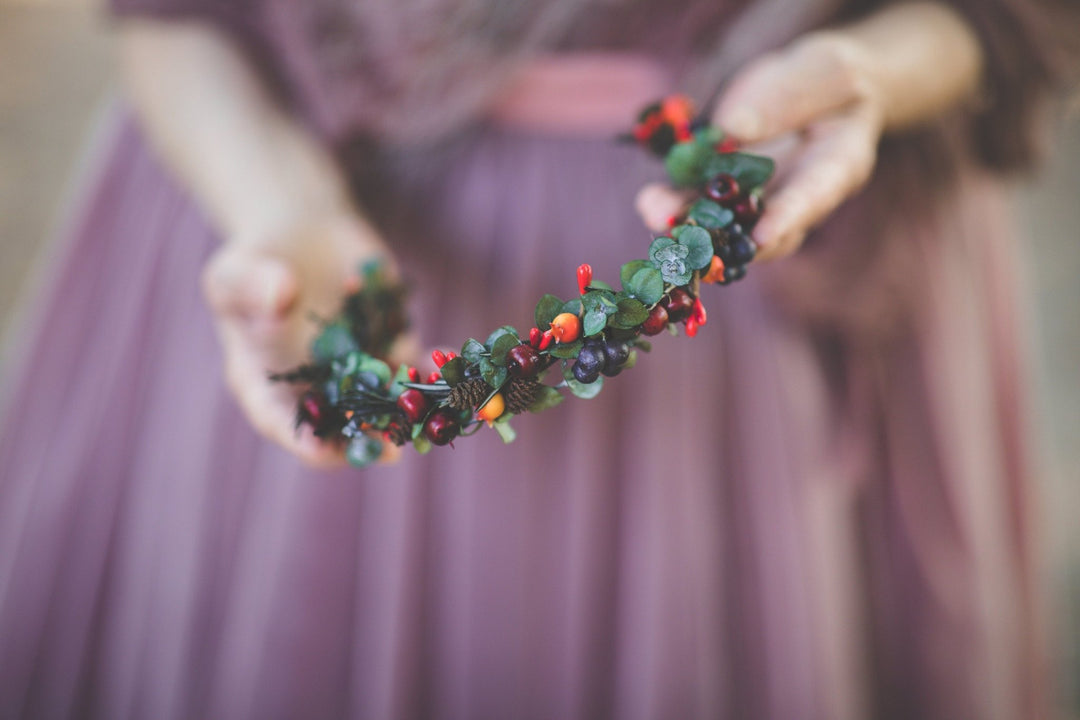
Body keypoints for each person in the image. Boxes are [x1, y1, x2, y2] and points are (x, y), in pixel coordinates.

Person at [0, 0, 1073, 717]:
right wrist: (282, 206)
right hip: (283, 193)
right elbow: (172, 15)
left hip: (785, 261)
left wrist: (874, 70)